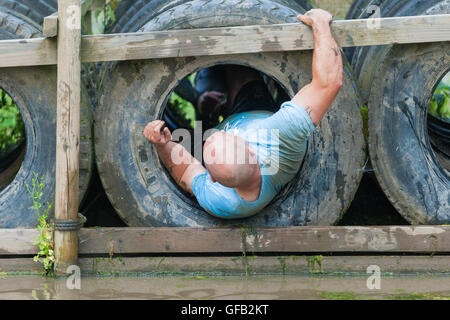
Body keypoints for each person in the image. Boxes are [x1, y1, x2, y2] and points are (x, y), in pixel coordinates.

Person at [143, 9, 343, 219]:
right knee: (243, 75)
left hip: (238, 113)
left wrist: (162, 144)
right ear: (250, 149)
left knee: (224, 77)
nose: (215, 133)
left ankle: (213, 93)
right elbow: (329, 83)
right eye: (224, 134)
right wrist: (320, 23)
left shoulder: (220, 200)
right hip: (257, 109)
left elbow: (185, 172)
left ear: (211, 178)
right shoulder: (279, 136)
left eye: (216, 134)